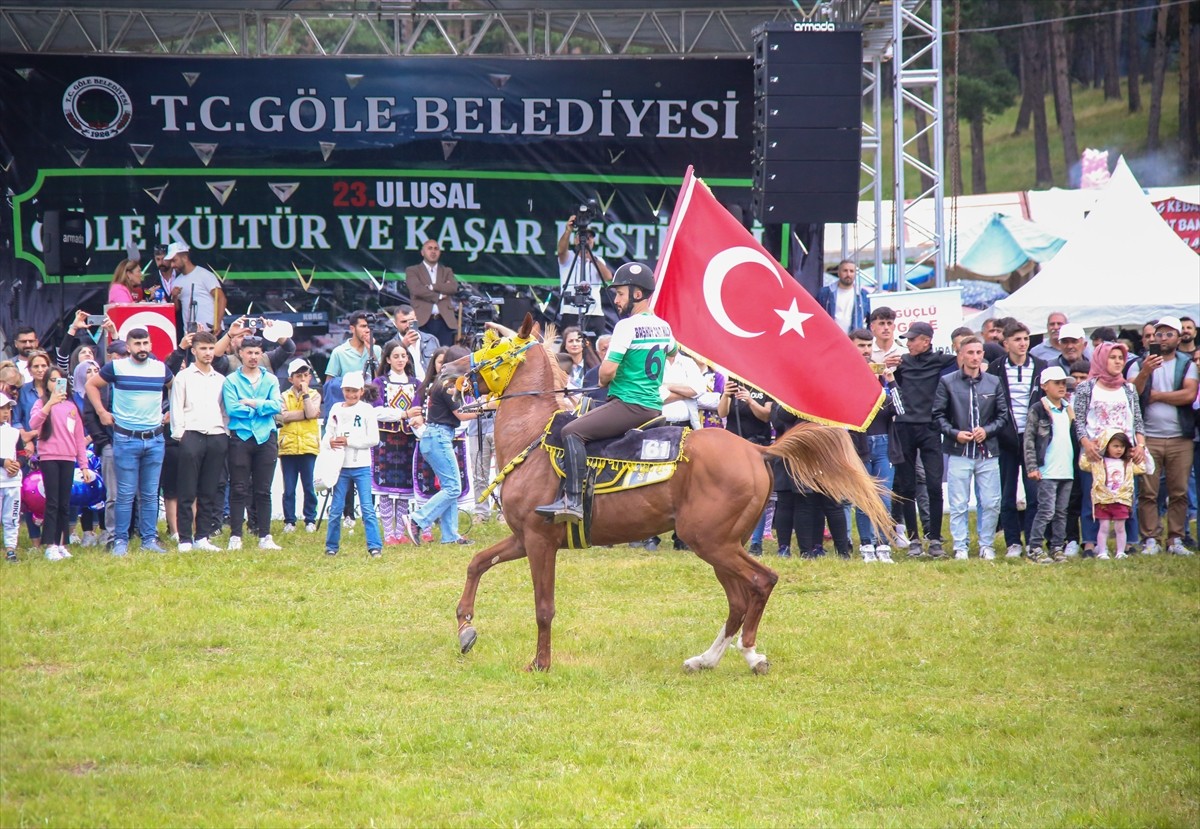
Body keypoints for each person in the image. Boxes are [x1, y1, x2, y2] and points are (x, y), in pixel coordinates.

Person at [535, 262, 674, 523]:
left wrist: (608, 378)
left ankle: (572, 501)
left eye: (621, 294)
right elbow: (673, 355)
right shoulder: (664, 327)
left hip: (629, 405)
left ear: (637, 294)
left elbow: (605, 373)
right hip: (653, 405)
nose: (616, 300)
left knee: (571, 431)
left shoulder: (626, 327)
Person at [86, 327, 172, 557]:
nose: (142, 348)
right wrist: (102, 411)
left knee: (150, 493)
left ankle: (149, 540)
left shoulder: (160, 368)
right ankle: (120, 542)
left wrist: (172, 410)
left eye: (145, 343)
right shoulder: (116, 367)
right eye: (137, 344)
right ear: (128, 346)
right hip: (125, 438)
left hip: (154, 438)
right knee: (124, 494)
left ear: (151, 345)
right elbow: (91, 385)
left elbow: (176, 388)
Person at [933, 337, 1009, 560]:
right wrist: (955, 433)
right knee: (958, 502)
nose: (975, 357)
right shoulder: (948, 382)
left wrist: (987, 430)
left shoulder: (993, 382)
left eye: (979, 352)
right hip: (960, 451)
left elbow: (1003, 415)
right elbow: (937, 416)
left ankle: (987, 544)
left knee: (991, 502)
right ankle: (960, 546)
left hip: (988, 452)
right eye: (971, 353)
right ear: (961, 355)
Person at [1130, 316, 1198, 555]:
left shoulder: (1187, 364)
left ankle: (1176, 539)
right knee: (1148, 491)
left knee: (1179, 491)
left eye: (1169, 334)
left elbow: (1189, 395)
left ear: (1179, 338)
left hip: (1180, 437)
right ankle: (1150, 538)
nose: (1163, 338)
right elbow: (1133, 392)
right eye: (1159, 334)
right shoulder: (1140, 363)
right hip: (1148, 437)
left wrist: (1157, 396)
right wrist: (1146, 372)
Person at [1072, 341, 1146, 557]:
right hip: (1096, 451)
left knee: (1126, 495)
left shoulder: (1128, 388)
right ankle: (1089, 542)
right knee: (1093, 496)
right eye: (1112, 357)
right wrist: (1086, 445)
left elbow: (1138, 421)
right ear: (1101, 359)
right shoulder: (1087, 387)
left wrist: (1140, 445)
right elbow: (1078, 421)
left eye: (1120, 358)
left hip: (1124, 453)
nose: (1117, 361)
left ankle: (1129, 542)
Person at [892, 321, 957, 556]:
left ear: (926, 341)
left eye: (912, 339)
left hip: (930, 430)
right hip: (904, 429)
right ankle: (914, 541)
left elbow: (974, 359)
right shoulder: (903, 362)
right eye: (907, 339)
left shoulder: (942, 360)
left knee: (933, 486)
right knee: (907, 487)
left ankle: (936, 539)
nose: (908, 343)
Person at [987, 319, 1048, 558]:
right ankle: (1013, 541)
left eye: (1025, 339)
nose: (1022, 343)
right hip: (1006, 439)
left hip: (1034, 440)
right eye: (1017, 339)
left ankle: (1034, 541)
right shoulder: (996, 367)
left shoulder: (1041, 366)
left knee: (1034, 494)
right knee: (1007, 493)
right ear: (1006, 343)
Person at [401, 348, 474, 545]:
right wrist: (485, 409)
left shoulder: (441, 381)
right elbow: (461, 414)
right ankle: (417, 520)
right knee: (453, 488)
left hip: (435, 437)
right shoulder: (449, 383)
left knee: (449, 486)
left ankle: (450, 536)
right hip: (439, 437)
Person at [169, 331, 229, 552]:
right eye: (203, 348)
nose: (208, 353)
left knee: (209, 489)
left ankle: (202, 536)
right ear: (194, 351)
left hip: (216, 435)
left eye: (211, 348)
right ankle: (185, 538)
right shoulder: (184, 377)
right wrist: (181, 435)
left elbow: (225, 410)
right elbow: (177, 407)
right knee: (187, 489)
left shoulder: (221, 379)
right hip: (191, 434)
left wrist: (224, 433)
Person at [222, 336, 283, 551]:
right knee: (239, 487)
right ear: (241, 354)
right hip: (241, 437)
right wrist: (261, 409)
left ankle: (265, 536)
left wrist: (252, 403)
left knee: (263, 490)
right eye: (249, 352)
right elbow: (232, 409)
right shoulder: (231, 380)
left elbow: (277, 405)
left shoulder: (271, 380)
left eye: (257, 353)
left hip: (266, 437)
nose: (253, 357)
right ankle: (235, 536)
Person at [30, 365, 95, 561]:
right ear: (46, 384)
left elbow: (78, 440)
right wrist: (49, 404)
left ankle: (62, 542)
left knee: (65, 503)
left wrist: (83, 466)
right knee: (53, 502)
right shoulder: (40, 403)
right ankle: (50, 544)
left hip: (68, 458)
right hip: (49, 458)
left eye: (59, 380)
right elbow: (33, 424)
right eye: (52, 380)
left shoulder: (71, 407)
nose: (56, 384)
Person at [322, 371, 384, 557]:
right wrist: (329, 442)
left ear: (362, 391)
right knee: (336, 508)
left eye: (355, 391)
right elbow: (328, 433)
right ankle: (331, 546)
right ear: (342, 390)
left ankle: (375, 546)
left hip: (362, 466)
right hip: (340, 465)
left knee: (367, 507)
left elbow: (373, 439)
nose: (351, 395)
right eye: (348, 391)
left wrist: (349, 441)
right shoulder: (335, 409)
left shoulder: (367, 410)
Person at [849, 328, 897, 563]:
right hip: (859, 445)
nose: (866, 351)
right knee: (863, 498)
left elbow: (900, 410)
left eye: (869, 346)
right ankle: (867, 545)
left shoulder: (881, 376)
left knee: (884, 499)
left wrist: (890, 381)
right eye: (861, 346)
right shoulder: (845, 377)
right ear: (851, 347)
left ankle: (883, 545)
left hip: (884, 444)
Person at [1024, 366, 1076, 564]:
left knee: (1062, 511)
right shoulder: (1038, 410)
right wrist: (1032, 467)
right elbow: (1029, 440)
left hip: (1066, 469)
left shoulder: (1068, 408)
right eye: (1057, 383)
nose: (1062, 387)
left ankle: (1056, 546)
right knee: (1046, 510)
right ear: (1044, 386)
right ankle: (1035, 546)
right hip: (1047, 469)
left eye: (1064, 383)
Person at [370, 343, 422, 542]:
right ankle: (388, 534)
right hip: (385, 440)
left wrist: (409, 416)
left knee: (404, 490)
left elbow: (418, 411)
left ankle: (400, 532)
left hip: (409, 439)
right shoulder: (379, 382)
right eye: (396, 356)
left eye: (404, 356)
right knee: (385, 488)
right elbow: (376, 411)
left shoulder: (416, 384)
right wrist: (403, 414)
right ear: (388, 359)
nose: (401, 360)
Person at [718, 375, 774, 557]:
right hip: (733, 446)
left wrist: (749, 400)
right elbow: (722, 413)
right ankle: (730, 536)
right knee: (730, 493)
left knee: (757, 494)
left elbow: (766, 416)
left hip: (757, 445)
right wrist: (726, 395)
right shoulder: (733, 381)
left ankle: (756, 542)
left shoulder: (765, 384)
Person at [1079, 430, 1153, 559]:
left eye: (1122, 446)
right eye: (1115, 446)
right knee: (1104, 527)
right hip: (1103, 500)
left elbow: (1143, 468)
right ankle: (1102, 552)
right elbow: (1083, 464)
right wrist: (1091, 448)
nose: (1119, 450)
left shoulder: (1128, 463)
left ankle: (1121, 552)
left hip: (1121, 500)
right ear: (1107, 446)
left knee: (1120, 527)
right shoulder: (1099, 462)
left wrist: (1138, 452)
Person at [277, 359, 322, 535]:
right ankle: (290, 520)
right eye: (298, 376)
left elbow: (312, 413)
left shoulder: (314, 394)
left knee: (308, 485)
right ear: (291, 379)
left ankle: (310, 518)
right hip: (288, 446)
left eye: (305, 375)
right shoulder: (283, 396)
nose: (302, 379)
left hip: (308, 445)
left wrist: (305, 396)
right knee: (289, 486)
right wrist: (303, 414)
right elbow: (281, 417)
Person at [556, 215, 613, 339]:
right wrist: (568, 231)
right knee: (570, 345)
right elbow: (560, 251)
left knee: (593, 348)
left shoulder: (598, 260)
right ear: (576, 240)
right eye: (584, 237)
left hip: (594, 312)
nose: (587, 240)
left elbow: (608, 277)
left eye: (590, 238)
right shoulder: (569, 257)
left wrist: (590, 257)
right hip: (570, 311)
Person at [405, 239, 460, 346]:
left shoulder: (447, 271)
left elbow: (453, 287)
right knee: (423, 354)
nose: (433, 251)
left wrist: (432, 286)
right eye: (429, 248)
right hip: (422, 320)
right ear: (422, 252)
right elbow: (416, 289)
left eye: (436, 248)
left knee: (444, 355)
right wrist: (439, 295)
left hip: (444, 321)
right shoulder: (412, 270)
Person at [167, 242, 226, 333]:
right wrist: (174, 297)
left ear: (185, 258)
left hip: (211, 330)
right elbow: (176, 309)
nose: (172, 265)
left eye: (174, 260)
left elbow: (221, 298)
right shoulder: (176, 282)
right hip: (190, 333)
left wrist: (217, 323)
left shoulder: (204, 274)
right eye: (170, 261)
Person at [386, 304, 440, 378]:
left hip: (429, 385)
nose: (408, 325)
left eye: (412, 321)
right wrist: (402, 345)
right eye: (404, 322)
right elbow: (386, 372)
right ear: (395, 323)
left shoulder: (431, 340)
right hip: (405, 386)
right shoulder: (390, 345)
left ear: (416, 319)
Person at [326, 311, 383, 381]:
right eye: (363, 326)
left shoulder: (377, 349)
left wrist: (370, 350)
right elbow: (329, 384)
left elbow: (381, 380)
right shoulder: (339, 352)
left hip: (370, 391)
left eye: (370, 327)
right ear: (352, 329)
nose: (368, 330)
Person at [817, 259, 870, 333]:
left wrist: (866, 337)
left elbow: (871, 320)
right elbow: (816, 317)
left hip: (854, 339)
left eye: (851, 271)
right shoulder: (825, 293)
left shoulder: (863, 294)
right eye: (845, 270)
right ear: (838, 273)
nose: (848, 274)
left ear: (855, 273)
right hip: (831, 337)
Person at [0, 392, 22, 562]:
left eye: (8, 408)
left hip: (13, 482)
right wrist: (3, 463)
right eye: (2, 409)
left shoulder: (14, 432)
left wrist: (17, 464)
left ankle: (10, 548)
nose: (6, 412)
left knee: (12, 517)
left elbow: (22, 453)